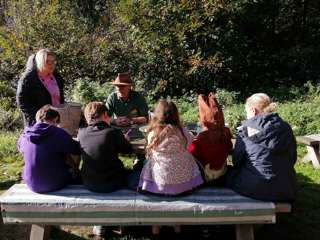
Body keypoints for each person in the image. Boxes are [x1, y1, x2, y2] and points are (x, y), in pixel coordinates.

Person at [138, 100, 204, 234]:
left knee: (146, 165)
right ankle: (177, 224)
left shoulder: (152, 133)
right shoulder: (183, 131)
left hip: (158, 182)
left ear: (157, 114)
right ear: (175, 115)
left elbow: (149, 149)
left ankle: (156, 225)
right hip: (183, 183)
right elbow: (191, 142)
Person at [226, 93, 297, 202]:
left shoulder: (245, 130)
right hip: (286, 189)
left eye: (246, 112)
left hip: (255, 188)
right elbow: (293, 158)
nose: (246, 115)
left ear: (253, 110)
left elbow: (237, 161)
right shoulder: (285, 127)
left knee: (226, 174)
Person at [17, 105, 81, 193]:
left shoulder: (25, 134)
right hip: (54, 183)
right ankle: (76, 175)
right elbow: (77, 149)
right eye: (57, 122)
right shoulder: (58, 133)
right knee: (71, 153)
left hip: (31, 184)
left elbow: (21, 149)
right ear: (55, 119)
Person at [105, 72, 149, 169]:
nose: (119, 89)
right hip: (117, 128)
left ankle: (139, 159)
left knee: (143, 143)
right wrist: (115, 121)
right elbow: (105, 117)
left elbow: (146, 118)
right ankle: (112, 163)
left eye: (122, 87)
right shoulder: (112, 97)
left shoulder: (138, 98)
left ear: (130, 86)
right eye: (117, 86)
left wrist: (131, 120)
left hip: (135, 127)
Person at [188, 93, 233, 183]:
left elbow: (191, 152)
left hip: (205, 177)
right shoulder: (225, 134)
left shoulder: (202, 138)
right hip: (222, 176)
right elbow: (229, 147)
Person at [16, 49, 65, 126]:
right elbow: (22, 102)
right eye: (48, 62)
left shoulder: (56, 76)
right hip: (38, 123)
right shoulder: (28, 79)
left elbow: (60, 97)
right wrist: (38, 118)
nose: (52, 64)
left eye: (53, 61)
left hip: (55, 120)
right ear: (40, 62)